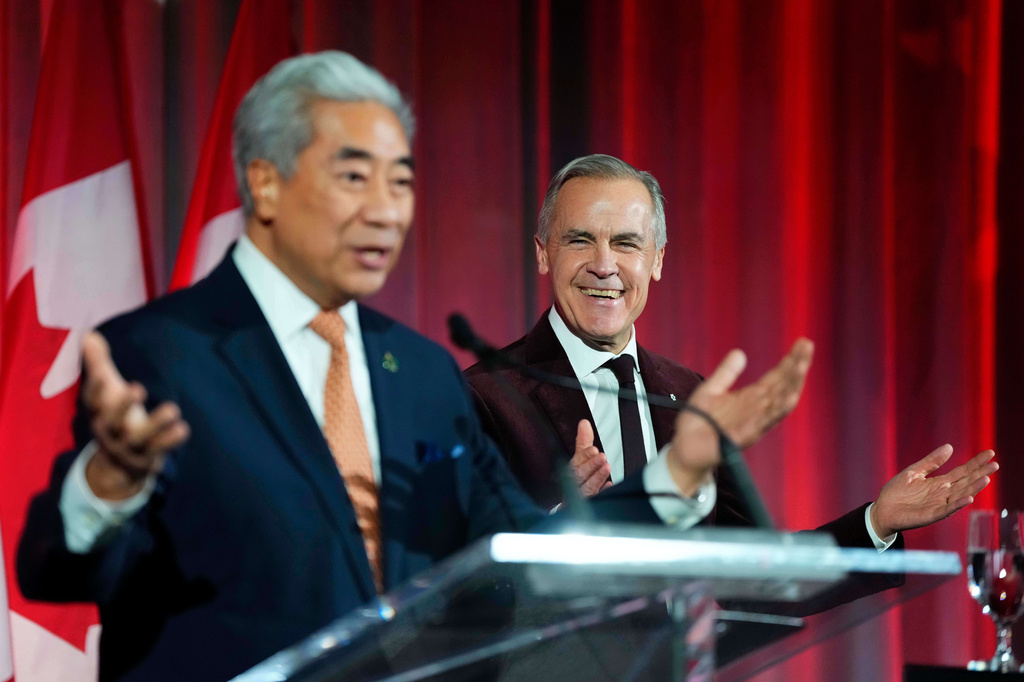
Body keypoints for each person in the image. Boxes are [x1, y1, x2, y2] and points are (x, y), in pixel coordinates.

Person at [17, 55, 816, 682]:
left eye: (400, 181)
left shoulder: (423, 375)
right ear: (265, 182)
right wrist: (107, 488)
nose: (388, 210)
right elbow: (55, 568)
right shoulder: (162, 351)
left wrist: (676, 475)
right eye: (354, 176)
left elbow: (525, 558)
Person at [465, 153, 997, 547]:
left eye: (626, 243)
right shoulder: (484, 398)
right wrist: (554, 520)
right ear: (543, 254)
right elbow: (449, 593)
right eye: (580, 239)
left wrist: (876, 522)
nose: (605, 264)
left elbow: (758, 573)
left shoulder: (690, 395)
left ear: (657, 260)